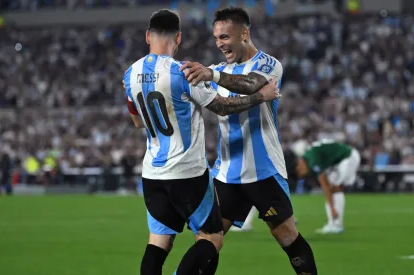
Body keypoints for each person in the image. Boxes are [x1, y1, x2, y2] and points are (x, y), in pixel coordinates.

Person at [123, 9, 281, 275]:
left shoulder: (131, 73)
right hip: (187, 172)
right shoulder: (183, 72)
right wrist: (261, 97)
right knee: (212, 237)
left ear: (148, 36)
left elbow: (137, 121)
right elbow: (222, 107)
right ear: (179, 37)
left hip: (152, 174)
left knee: (158, 243)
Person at [180, 7, 318, 275]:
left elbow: (250, 84)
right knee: (208, 239)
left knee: (287, 236)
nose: (220, 44)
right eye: (216, 38)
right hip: (226, 173)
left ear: (244, 33)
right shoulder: (216, 70)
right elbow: (221, 106)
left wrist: (213, 75)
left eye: (225, 37)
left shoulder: (268, 64)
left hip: (263, 170)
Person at [287, 139, 361, 234]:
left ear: (299, 166)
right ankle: (333, 223)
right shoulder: (310, 156)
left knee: (335, 189)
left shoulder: (312, 160)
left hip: (348, 157)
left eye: (301, 174)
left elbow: (325, 185)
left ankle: (336, 224)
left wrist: (332, 208)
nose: (305, 175)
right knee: (333, 189)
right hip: (339, 161)